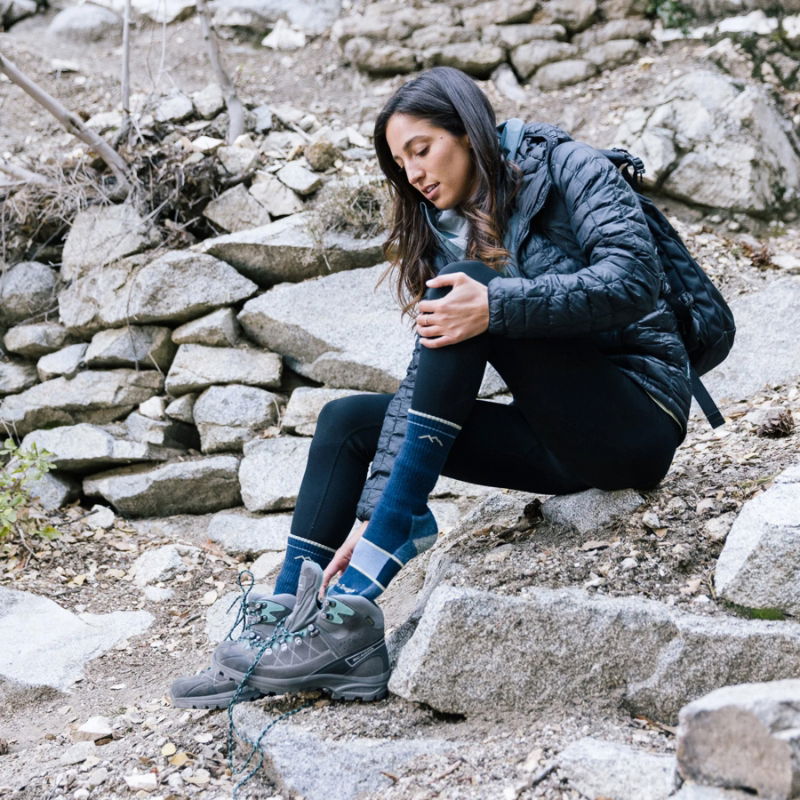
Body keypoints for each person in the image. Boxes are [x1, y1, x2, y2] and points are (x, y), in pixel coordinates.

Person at [170, 66, 690, 708]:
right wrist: (375, 507)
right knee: (347, 421)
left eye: (422, 149)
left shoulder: (573, 167)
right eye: (400, 162)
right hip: (558, 441)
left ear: (469, 134)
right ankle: (287, 621)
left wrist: (497, 306)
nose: (413, 173)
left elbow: (632, 279)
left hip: (635, 418)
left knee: (473, 289)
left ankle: (358, 594)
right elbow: (427, 377)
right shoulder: (454, 229)